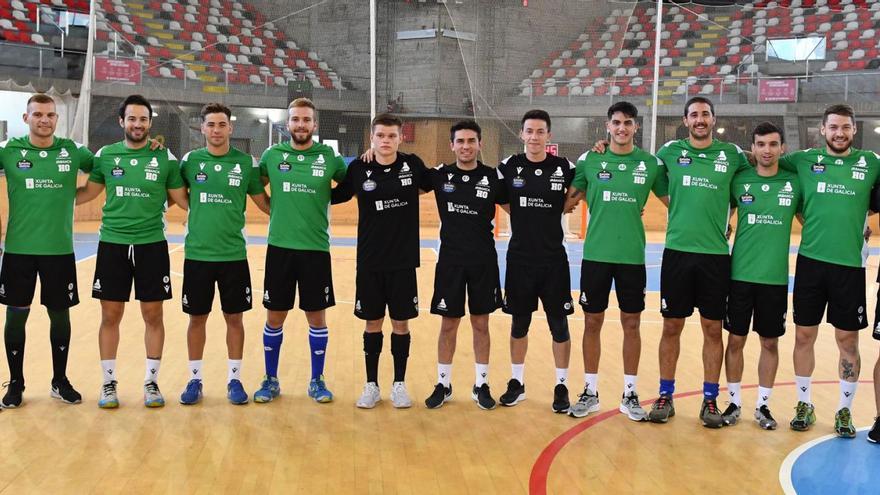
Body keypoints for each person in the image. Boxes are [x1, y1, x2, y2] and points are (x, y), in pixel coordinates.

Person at [76, 94, 188, 409]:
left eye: (143, 119)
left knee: (153, 315)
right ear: (121, 121)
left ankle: (151, 382)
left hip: (151, 245)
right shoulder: (106, 155)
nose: (137, 124)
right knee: (110, 315)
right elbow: (89, 192)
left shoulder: (165, 158)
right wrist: (51, 197)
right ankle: (108, 383)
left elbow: (182, 198)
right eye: (132, 119)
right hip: (113, 244)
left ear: (150, 123)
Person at [778, 104, 880, 438]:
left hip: (849, 267)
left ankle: (844, 410)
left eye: (845, 127)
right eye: (833, 127)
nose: (839, 133)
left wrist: (862, 218)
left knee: (847, 340)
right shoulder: (803, 160)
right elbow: (763, 158)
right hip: (811, 263)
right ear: (822, 129)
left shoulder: (871, 163)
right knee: (803, 336)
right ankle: (804, 403)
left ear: (854, 130)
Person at [648, 97, 751, 427]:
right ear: (685, 120)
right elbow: (650, 175)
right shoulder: (669, 151)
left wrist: (728, 213)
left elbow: (751, 182)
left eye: (705, 114)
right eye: (694, 115)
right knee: (671, 326)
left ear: (713, 119)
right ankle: (665, 395)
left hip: (715, 256)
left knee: (712, 328)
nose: (700, 119)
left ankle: (709, 400)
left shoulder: (732, 155)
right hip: (677, 252)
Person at [563, 101, 666, 421]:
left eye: (628, 123)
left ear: (636, 127)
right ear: (607, 126)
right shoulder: (590, 160)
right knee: (592, 322)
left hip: (631, 258)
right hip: (596, 256)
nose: (622, 128)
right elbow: (567, 202)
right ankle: (590, 391)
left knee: (631, 324)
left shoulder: (651, 164)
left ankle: (630, 393)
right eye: (617, 122)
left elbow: (675, 201)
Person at [0, 93, 93, 408]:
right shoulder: (8, 150)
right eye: (38, 114)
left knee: (60, 316)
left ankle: (59, 381)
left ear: (57, 119)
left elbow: (108, 166)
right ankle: (16, 383)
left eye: (50, 115)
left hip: (59, 251)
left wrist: (150, 146)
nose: (44, 120)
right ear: (26, 118)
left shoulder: (73, 151)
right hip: (18, 252)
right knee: (16, 317)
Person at [252, 97, 347, 404]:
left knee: (316, 317)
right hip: (279, 248)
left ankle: (317, 380)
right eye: (296, 119)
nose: (301, 124)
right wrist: (272, 210)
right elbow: (255, 185)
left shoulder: (329, 157)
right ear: (288, 123)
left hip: (315, 249)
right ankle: (270, 379)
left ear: (314, 124)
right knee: (275, 316)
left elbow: (352, 182)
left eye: (306, 120)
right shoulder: (272, 155)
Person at [332, 113, 430, 409]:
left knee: (400, 323)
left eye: (391, 136)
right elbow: (336, 195)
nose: (386, 141)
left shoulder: (412, 165)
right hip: (370, 261)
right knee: (372, 322)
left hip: (403, 261)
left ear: (400, 138)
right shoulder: (359, 168)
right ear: (371, 138)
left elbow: (436, 183)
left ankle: (399, 384)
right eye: (380, 136)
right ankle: (371, 385)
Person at [176, 103, 270, 406]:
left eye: (221, 124)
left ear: (231, 128)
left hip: (233, 255)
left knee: (234, 319)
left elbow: (265, 203)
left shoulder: (246, 163)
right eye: (211, 124)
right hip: (197, 255)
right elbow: (174, 193)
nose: (216, 130)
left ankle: (234, 379)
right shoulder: (190, 161)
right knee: (197, 319)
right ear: (202, 128)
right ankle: (194, 379)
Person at [495, 109, 576, 414]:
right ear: (521, 134)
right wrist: (519, 211)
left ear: (549, 135)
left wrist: (566, 205)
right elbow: (500, 197)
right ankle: (517, 382)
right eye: (529, 131)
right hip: (520, 260)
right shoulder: (509, 166)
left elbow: (586, 185)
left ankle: (561, 385)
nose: (534, 136)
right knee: (519, 323)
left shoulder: (563, 166)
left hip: (553, 260)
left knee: (559, 325)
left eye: (540, 131)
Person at [722, 122, 801, 430]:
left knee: (770, 342)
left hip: (775, 279)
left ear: (782, 148)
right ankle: (734, 402)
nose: (767, 150)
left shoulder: (794, 182)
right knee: (736, 340)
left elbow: (813, 215)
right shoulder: (739, 180)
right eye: (761, 144)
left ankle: (763, 405)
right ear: (752, 148)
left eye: (773, 144)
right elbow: (720, 208)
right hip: (740, 275)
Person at [423, 120, 503, 410]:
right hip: (451, 262)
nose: (466, 146)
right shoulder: (439, 175)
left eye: (471, 141)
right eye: (460, 141)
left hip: (483, 261)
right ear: (452, 145)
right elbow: (398, 176)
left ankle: (481, 384)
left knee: (481, 324)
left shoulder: (493, 177)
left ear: (480, 144)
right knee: (448, 324)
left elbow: (519, 208)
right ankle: (443, 384)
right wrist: (373, 151)